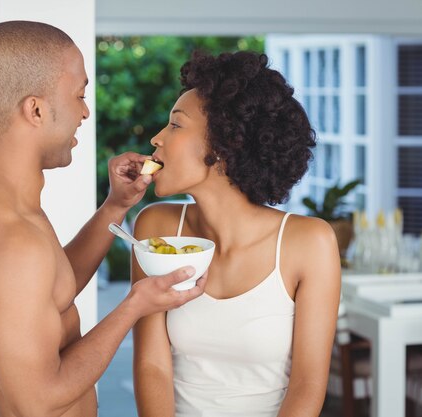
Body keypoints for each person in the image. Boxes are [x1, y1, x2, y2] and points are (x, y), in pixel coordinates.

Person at [0, 20, 207, 417]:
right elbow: (38, 402)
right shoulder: (14, 239)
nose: (85, 111)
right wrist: (132, 306)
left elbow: (45, 290)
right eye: (79, 95)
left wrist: (114, 208)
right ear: (36, 109)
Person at [132, 51, 341, 417]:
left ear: (222, 146)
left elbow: (307, 385)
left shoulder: (310, 242)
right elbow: (152, 366)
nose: (156, 138)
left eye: (176, 125)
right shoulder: (157, 228)